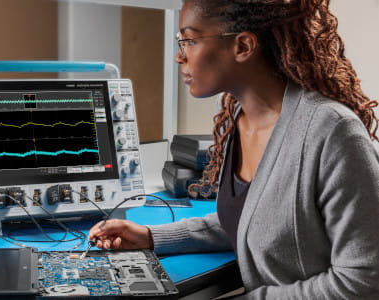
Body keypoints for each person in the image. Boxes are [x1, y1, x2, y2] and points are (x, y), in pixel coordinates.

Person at [88, 0, 379, 298]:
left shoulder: (333, 133)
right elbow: (252, 221)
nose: (179, 56)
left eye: (189, 40)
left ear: (242, 46)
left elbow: (362, 283)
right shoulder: (235, 117)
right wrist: (153, 236)